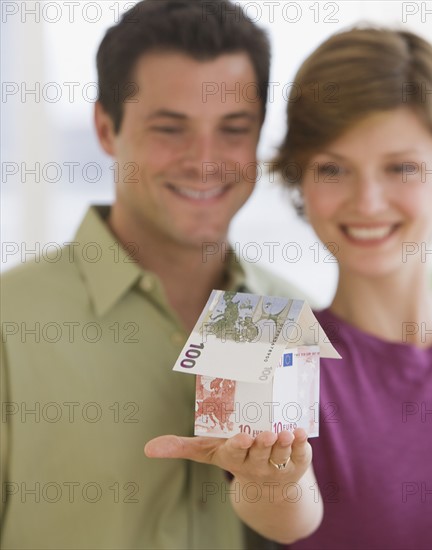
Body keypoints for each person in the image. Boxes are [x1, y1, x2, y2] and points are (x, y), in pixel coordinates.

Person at [149, 26, 432, 549]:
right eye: (334, 169)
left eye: (401, 167)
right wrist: (273, 480)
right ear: (300, 180)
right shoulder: (255, 344)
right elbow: (287, 518)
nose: (368, 201)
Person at [0, 1, 319, 548]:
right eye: (170, 129)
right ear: (106, 128)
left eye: (233, 129)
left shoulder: (285, 314)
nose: (204, 160)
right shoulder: (11, 320)